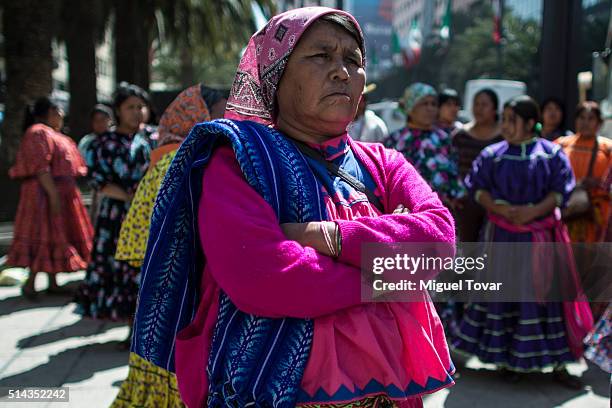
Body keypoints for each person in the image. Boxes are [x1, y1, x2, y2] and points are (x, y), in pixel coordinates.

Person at [130, 8, 455, 407]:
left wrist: (327, 236)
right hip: (275, 391)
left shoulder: (384, 163)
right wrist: (391, 275)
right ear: (276, 75)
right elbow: (266, 278)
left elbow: (439, 242)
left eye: (353, 60)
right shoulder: (237, 159)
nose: (342, 72)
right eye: (321, 56)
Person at [451, 96, 593, 389]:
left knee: (546, 299)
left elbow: (560, 192)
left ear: (530, 123)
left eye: (512, 119)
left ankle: (557, 362)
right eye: (504, 118)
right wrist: (500, 208)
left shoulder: (551, 154)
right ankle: (507, 360)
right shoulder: (493, 154)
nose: (506, 125)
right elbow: (476, 187)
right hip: (500, 236)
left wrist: (531, 212)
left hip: (540, 238)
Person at [111, 84, 226, 407]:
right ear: (198, 115)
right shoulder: (186, 160)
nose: (229, 116)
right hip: (184, 289)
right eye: (219, 111)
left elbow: (134, 239)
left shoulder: (166, 157)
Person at [75, 83, 151, 321]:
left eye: (141, 107)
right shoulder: (102, 144)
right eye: (131, 107)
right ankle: (127, 322)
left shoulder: (151, 139)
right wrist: (132, 197)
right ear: (118, 110)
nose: (137, 112)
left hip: (147, 216)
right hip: (116, 217)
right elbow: (99, 181)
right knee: (119, 268)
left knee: (144, 270)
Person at [8, 97, 93, 299]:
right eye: (57, 111)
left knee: (57, 235)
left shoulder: (54, 134)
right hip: (44, 194)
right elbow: (41, 167)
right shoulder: (38, 132)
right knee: (44, 234)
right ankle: (30, 284)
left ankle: (53, 282)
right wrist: (53, 195)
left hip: (60, 193)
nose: (62, 115)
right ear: (47, 113)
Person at [385, 82, 465, 209]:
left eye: (433, 104)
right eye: (424, 103)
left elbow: (453, 173)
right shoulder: (394, 141)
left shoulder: (444, 138)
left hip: (440, 210)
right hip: (405, 210)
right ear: (410, 107)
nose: (430, 108)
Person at [452, 89, 504, 242]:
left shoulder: (504, 136)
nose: (479, 109)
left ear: (494, 109)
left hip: (496, 201)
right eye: (476, 104)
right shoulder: (460, 135)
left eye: (484, 104)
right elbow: (451, 168)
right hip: (465, 203)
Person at [556, 102, 611, 243]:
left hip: (597, 215)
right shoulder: (560, 144)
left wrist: (599, 185)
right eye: (581, 117)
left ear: (599, 123)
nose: (585, 122)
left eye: (590, 118)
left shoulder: (608, 149)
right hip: (567, 210)